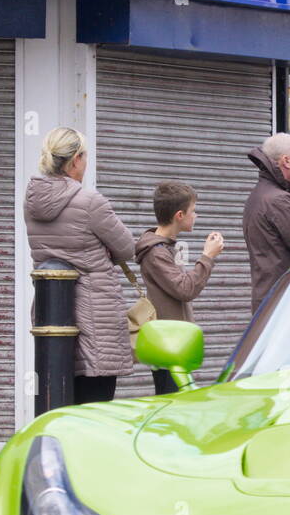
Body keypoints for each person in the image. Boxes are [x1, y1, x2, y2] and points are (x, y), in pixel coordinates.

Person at [25, 127, 136, 405]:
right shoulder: (90, 202)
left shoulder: (31, 202)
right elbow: (127, 248)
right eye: (85, 157)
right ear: (75, 160)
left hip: (51, 313)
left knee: (59, 396)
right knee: (95, 405)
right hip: (95, 315)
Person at [135, 181, 224, 395]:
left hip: (175, 342)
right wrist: (207, 257)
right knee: (171, 405)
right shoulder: (156, 253)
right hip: (168, 345)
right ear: (179, 215)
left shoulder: (165, 248)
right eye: (193, 211)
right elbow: (185, 289)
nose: (196, 215)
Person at [243, 133, 290, 311]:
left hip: (268, 296)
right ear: (286, 161)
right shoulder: (279, 200)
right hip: (284, 300)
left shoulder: (259, 195)